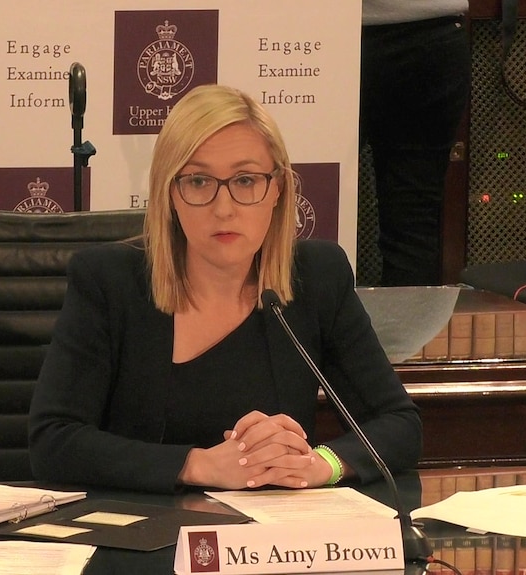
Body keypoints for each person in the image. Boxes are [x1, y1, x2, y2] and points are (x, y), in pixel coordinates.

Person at [28, 84, 421, 494]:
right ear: (170, 195)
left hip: (273, 544)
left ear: (277, 190)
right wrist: (197, 465)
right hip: (143, 536)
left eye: (246, 180)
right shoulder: (109, 282)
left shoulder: (317, 278)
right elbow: (53, 441)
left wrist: (319, 464)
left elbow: (398, 424)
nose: (224, 207)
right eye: (199, 181)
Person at [361, 1, 470, 286]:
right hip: (432, 31)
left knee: (304, 195)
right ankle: (405, 330)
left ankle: (292, 327)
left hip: (322, 31)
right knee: (413, 226)